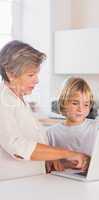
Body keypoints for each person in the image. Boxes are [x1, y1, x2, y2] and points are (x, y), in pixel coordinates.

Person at [0, 40, 89, 178]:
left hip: (30, 182)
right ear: (10, 73)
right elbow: (19, 148)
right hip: (13, 185)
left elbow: (32, 146)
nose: (36, 80)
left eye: (36, 74)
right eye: (31, 75)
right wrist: (68, 153)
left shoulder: (18, 100)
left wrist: (55, 160)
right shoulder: (3, 100)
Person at [47, 77, 99, 167]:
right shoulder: (51, 133)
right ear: (63, 103)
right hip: (61, 177)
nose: (80, 109)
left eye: (86, 104)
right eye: (75, 103)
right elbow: (46, 163)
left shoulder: (98, 128)